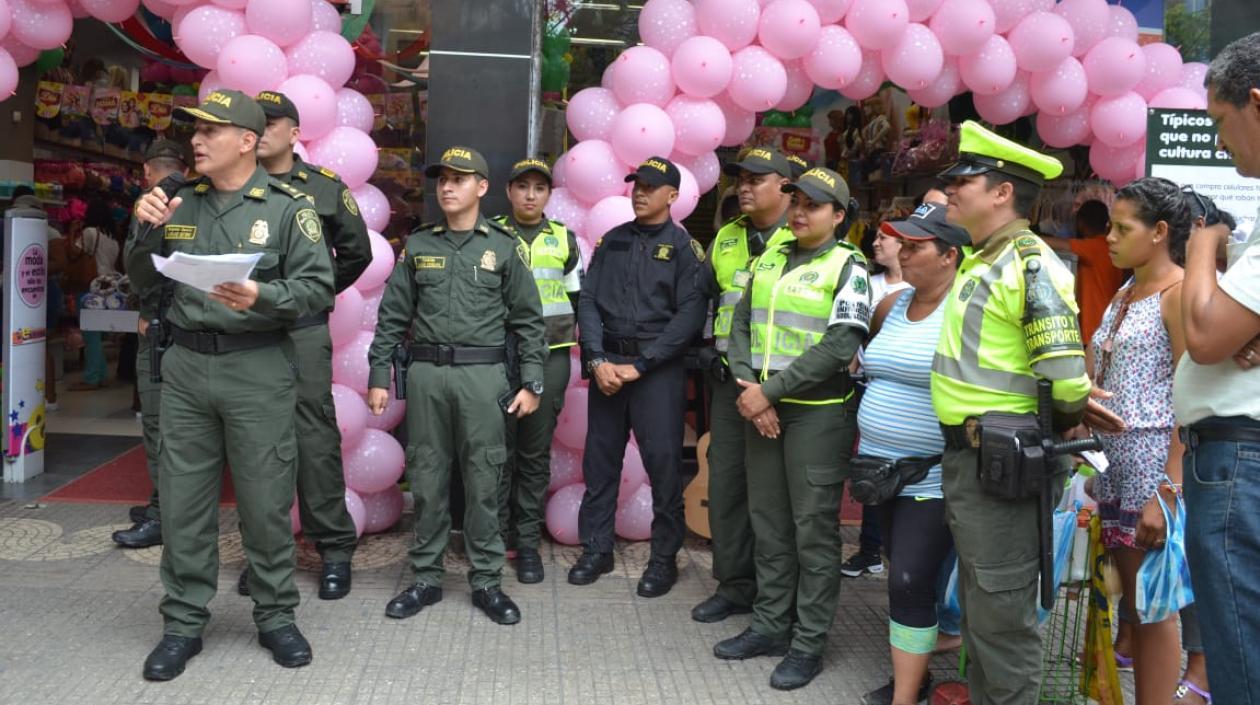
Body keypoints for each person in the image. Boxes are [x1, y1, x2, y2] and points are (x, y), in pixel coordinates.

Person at [128, 89, 334, 680]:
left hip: (257, 365)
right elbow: (143, 278)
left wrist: (264, 295)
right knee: (185, 501)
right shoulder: (177, 203)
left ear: (247, 141)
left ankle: (275, 616)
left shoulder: (290, 209)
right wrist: (144, 230)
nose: (196, 140)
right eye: (195, 130)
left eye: (211, 130)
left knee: (266, 499)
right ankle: (182, 623)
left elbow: (318, 288)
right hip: (188, 368)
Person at [933, 121, 1091, 705]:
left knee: (1001, 619)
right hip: (974, 462)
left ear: (1002, 192)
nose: (951, 191)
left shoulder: (1028, 265)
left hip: (1003, 466)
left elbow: (1066, 381)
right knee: (980, 612)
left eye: (964, 181)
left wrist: (1067, 411)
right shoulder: (984, 260)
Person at [367, 146, 546, 626]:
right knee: (426, 478)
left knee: (485, 479)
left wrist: (532, 383)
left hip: (483, 377)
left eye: (459, 179)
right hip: (427, 376)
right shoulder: (420, 246)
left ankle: (487, 580)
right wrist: (378, 375)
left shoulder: (503, 248)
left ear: (482, 188)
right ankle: (425, 577)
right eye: (442, 179)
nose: (447, 186)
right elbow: (392, 317)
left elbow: (530, 322)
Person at [718, 166, 868, 691]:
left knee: (813, 533)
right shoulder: (771, 257)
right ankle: (768, 625)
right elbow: (739, 326)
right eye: (796, 201)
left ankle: (808, 644)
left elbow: (839, 346)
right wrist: (749, 392)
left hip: (816, 415)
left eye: (813, 205)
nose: (800, 212)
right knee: (770, 524)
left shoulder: (849, 266)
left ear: (839, 216)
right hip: (760, 409)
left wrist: (770, 392)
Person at [230, 90, 372, 600]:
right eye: (255, 123)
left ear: (294, 133)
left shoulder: (324, 188)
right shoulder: (231, 184)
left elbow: (355, 251)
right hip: (246, 328)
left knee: (313, 437)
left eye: (272, 124)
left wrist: (313, 291)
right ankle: (266, 553)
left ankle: (334, 549)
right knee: (257, 441)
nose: (261, 131)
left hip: (302, 329)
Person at [568, 156, 706, 598]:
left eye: (650, 186)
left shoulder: (685, 249)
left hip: (656, 372)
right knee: (600, 461)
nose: (640, 192)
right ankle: (597, 549)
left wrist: (643, 364)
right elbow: (587, 301)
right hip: (608, 365)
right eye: (636, 185)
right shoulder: (613, 241)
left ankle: (664, 559)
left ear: (673, 196)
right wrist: (595, 359)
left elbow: (689, 317)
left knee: (663, 466)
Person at [1176, 31, 1260, 705]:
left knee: (1240, 653)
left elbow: (1206, 334)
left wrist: (1204, 242)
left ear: (1255, 104)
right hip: (1234, 464)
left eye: (1219, 123)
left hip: (1239, 463)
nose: (1221, 143)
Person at [1081, 177, 1189, 705]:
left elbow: (1193, 398)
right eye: (1110, 226)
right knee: (1136, 604)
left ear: (1160, 232)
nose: (1110, 237)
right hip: (1117, 466)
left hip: (1151, 470)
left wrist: (1167, 487)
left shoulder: (1179, 293)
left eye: (1124, 228)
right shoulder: (1128, 288)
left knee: (1155, 604)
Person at [857, 203, 968, 705]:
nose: (902, 252)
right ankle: (914, 673)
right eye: (901, 242)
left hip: (931, 474)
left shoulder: (966, 312)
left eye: (916, 245)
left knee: (909, 577)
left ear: (950, 256)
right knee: (897, 567)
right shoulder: (892, 305)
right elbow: (874, 370)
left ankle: (906, 696)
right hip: (877, 471)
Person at [692, 148, 794, 624]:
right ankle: (734, 584)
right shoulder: (726, 237)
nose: (744, 187)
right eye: (740, 179)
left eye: (757, 178)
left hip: (785, 390)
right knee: (728, 484)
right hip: (730, 383)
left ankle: (779, 596)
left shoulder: (803, 236)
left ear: (786, 186)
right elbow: (705, 301)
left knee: (776, 495)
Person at [492, 157, 583, 584]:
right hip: (498, 355)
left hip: (551, 356)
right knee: (497, 452)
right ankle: (494, 538)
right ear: (509, 191)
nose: (530, 195)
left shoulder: (565, 240)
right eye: (522, 186)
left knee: (533, 452)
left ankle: (526, 542)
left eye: (539, 188)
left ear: (549, 195)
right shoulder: (490, 233)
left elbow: (578, 302)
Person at [111, 139, 189, 549]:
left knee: (161, 429)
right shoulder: (197, 198)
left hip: (162, 330)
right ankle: (163, 504)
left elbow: (141, 274)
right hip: (183, 328)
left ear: (145, 171)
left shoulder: (151, 205)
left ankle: (164, 515)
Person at [1041, 200, 1123, 347]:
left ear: (1080, 223)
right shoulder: (1111, 247)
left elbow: (1059, 244)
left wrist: (1023, 235)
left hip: (1093, 327)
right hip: (1108, 323)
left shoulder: (1093, 247)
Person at [68, 199, 120, 391]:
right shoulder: (113, 239)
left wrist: (73, 232)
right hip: (108, 287)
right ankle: (101, 375)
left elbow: (74, 253)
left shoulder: (90, 233)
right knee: (96, 334)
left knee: (90, 335)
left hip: (91, 286)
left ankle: (91, 378)